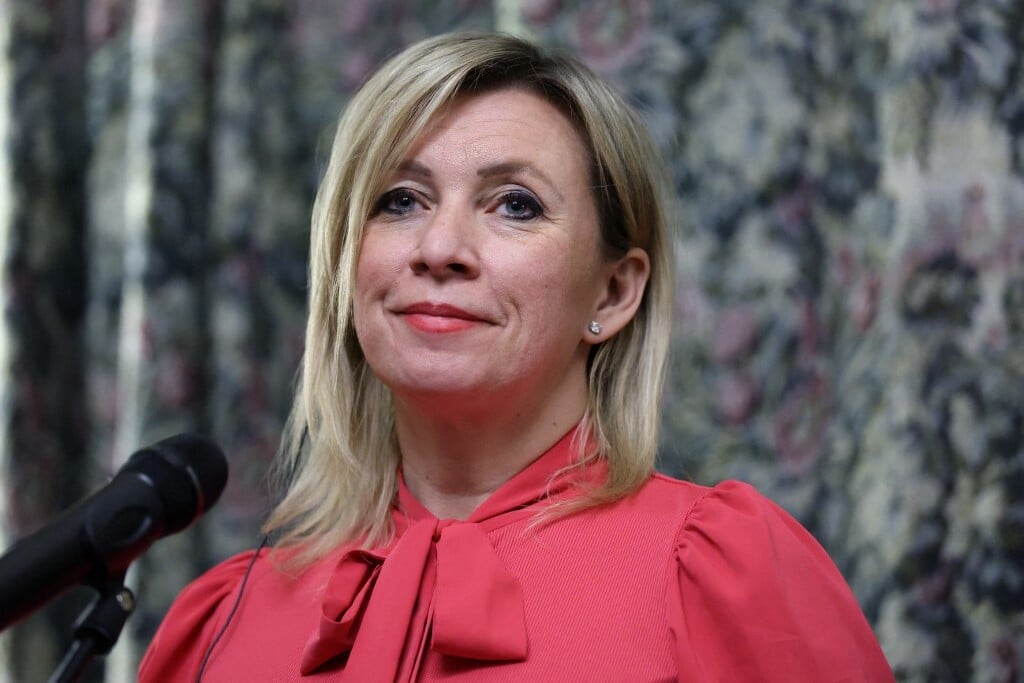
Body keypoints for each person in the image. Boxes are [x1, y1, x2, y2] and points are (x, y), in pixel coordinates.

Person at [138, 32, 893, 681]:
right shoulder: (224, 621)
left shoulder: (715, 573)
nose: (439, 247)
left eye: (515, 204)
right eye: (401, 200)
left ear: (613, 292)